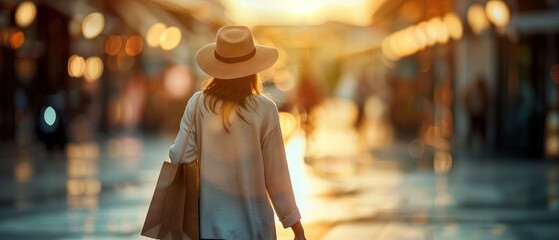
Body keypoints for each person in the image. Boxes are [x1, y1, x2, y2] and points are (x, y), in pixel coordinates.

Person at [169, 25, 306, 240]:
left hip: (208, 226)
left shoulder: (197, 104)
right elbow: (276, 174)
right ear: (253, 68)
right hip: (255, 228)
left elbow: (180, 155)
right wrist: (295, 226)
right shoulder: (265, 109)